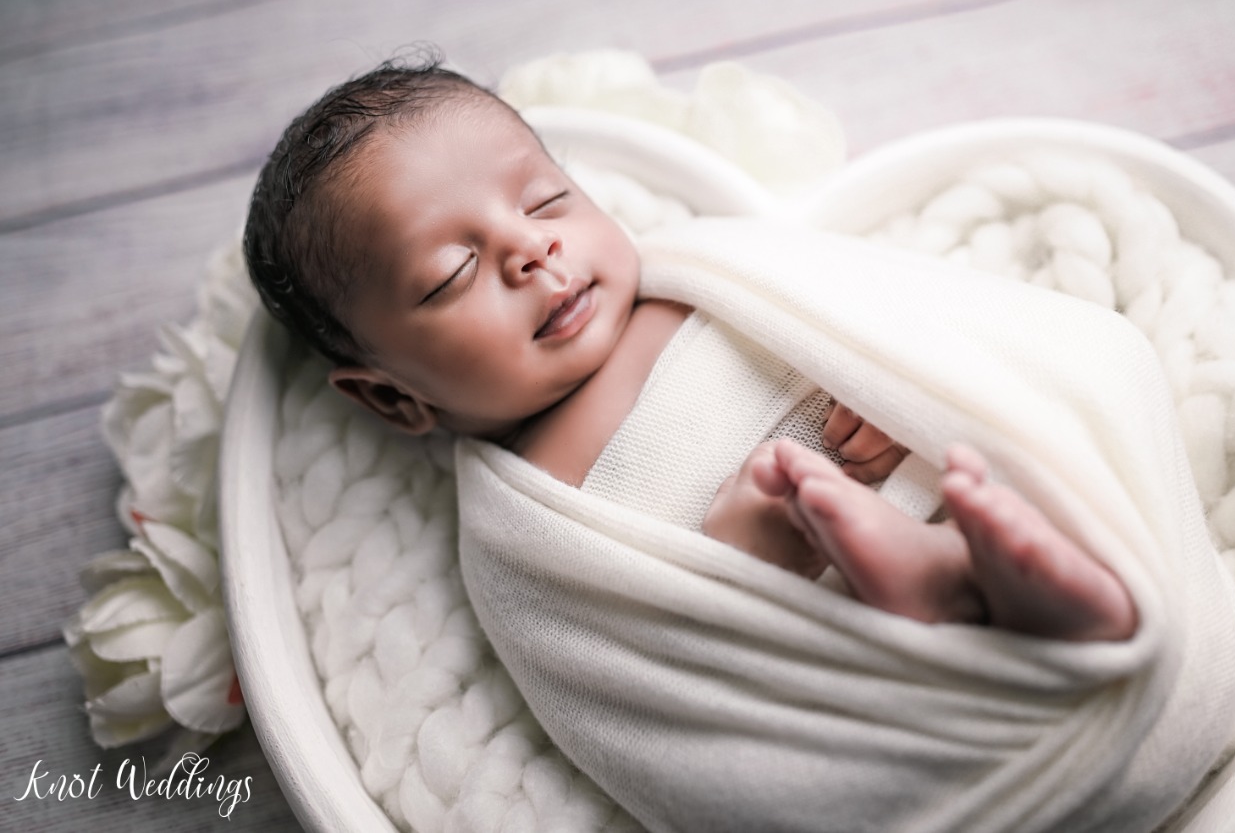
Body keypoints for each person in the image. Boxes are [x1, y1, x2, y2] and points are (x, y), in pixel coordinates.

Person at [243, 57, 1136, 643]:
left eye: (546, 199)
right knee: (802, 590)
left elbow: (881, 312)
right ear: (395, 398)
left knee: (1026, 475)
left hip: (932, 485)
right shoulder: (522, 532)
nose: (532, 250)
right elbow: (623, 658)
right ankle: (891, 576)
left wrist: (877, 382)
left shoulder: (703, 277)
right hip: (795, 624)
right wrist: (739, 561)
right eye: (452, 274)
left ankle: (1004, 583)